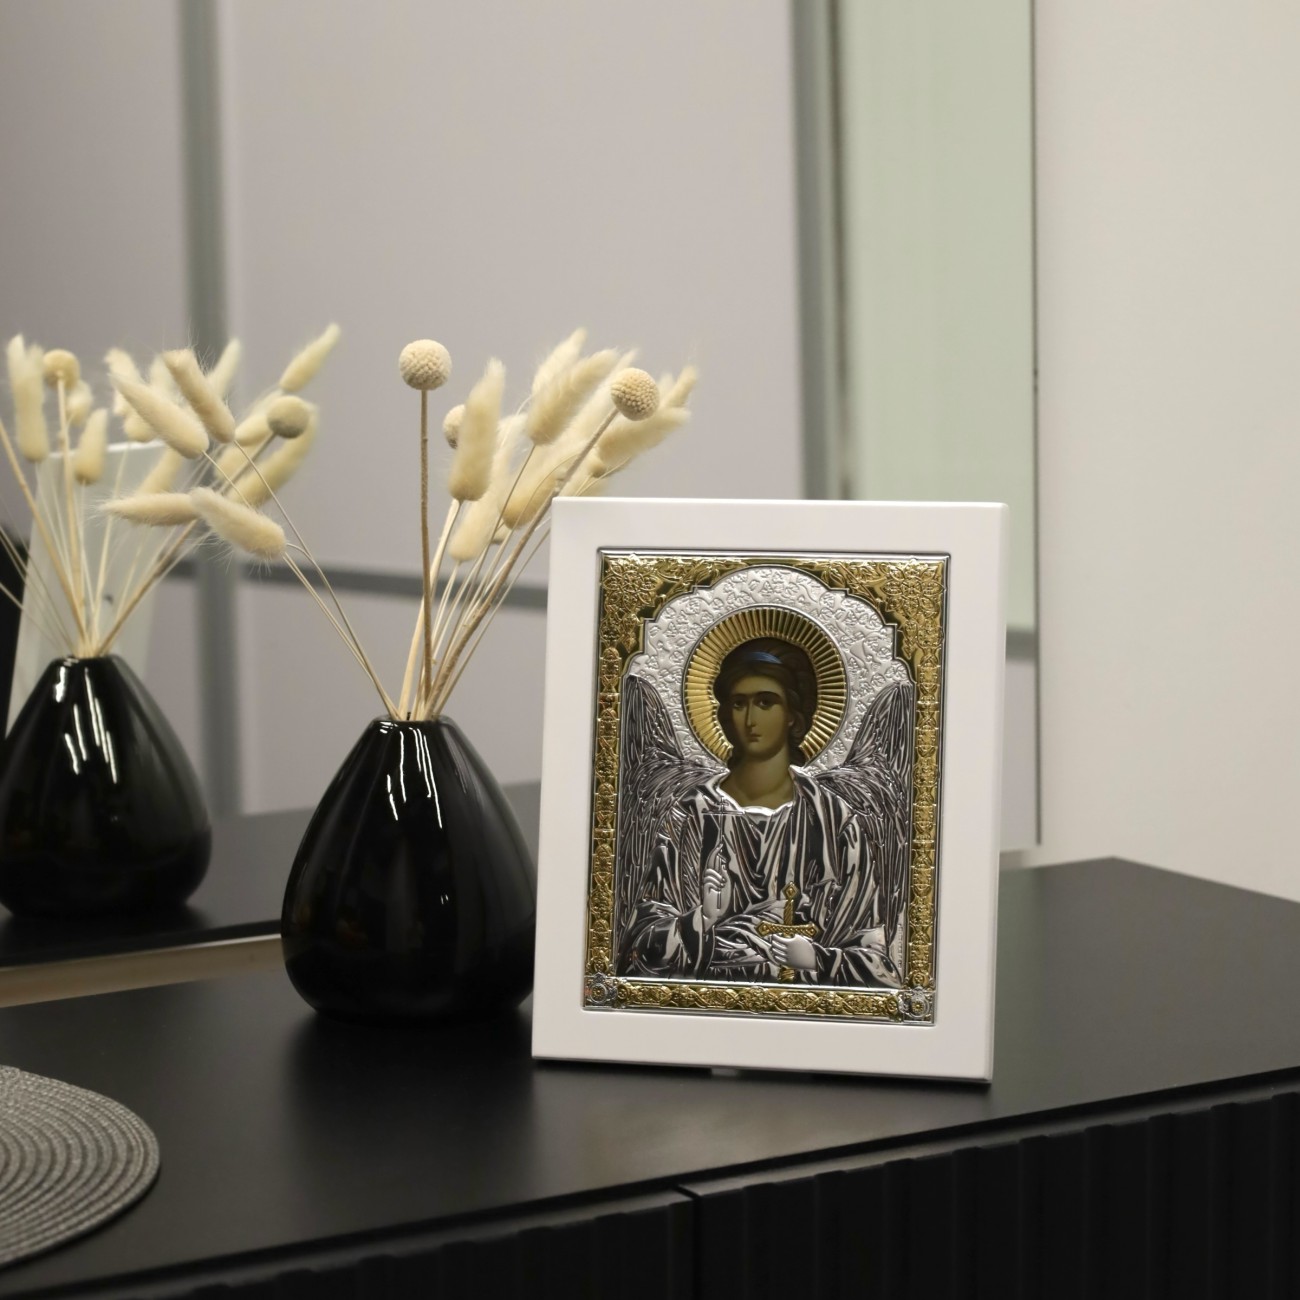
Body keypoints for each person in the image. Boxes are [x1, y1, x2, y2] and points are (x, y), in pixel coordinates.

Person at [615, 637, 911, 988]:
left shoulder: (832, 820)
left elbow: (880, 968)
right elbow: (635, 955)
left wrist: (818, 959)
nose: (750, 719)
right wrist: (700, 920)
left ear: (793, 716)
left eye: (766, 702)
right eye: (739, 703)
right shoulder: (691, 815)